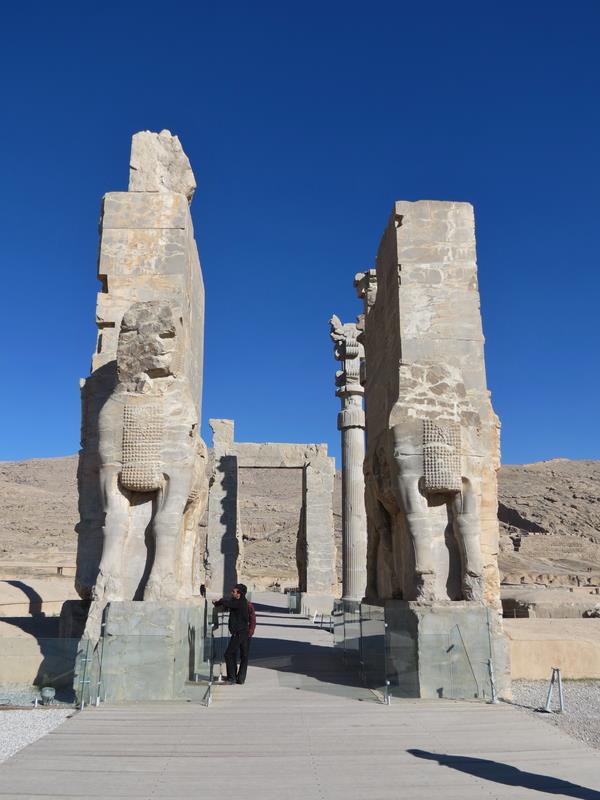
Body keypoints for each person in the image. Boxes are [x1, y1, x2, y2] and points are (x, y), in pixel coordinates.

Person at [213, 583, 250, 685]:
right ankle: (239, 678)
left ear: (239, 594)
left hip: (239, 633)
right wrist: (219, 603)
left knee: (228, 654)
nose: (231, 593)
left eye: (234, 591)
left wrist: (219, 601)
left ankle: (232, 678)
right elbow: (228, 604)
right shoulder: (239, 601)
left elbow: (228, 604)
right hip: (242, 632)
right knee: (237, 654)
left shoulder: (240, 602)